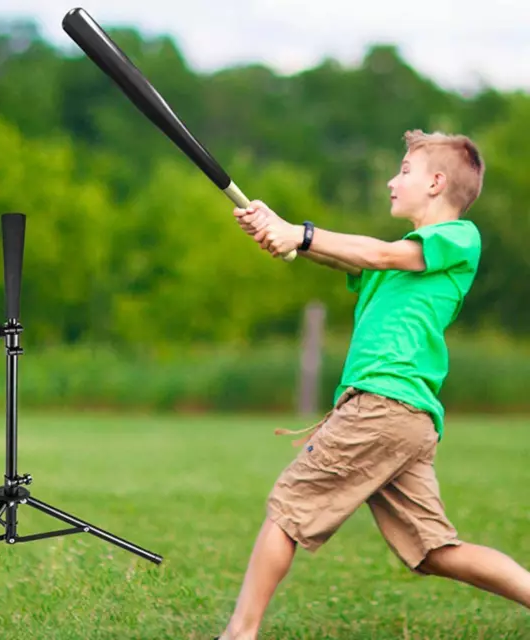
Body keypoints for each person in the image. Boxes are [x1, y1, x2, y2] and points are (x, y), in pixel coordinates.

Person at [216, 130, 530, 640]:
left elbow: (379, 255)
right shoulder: (400, 257)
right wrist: (278, 230)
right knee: (434, 552)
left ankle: (239, 634)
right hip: (405, 417)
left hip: (384, 406)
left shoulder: (457, 237)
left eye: (403, 170)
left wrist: (302, 233)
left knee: (287, 509)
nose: (392, 180)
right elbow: (350, 258)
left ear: (436, 182)